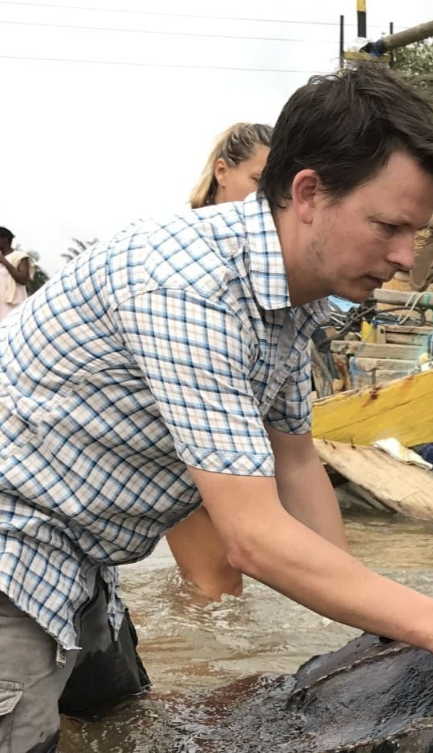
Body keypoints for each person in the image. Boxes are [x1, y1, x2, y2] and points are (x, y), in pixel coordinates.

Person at [0, 63, 433, 753]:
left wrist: (379, 625)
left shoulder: (295, 299)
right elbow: (251, 538)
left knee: (120, 717)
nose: (405, 257)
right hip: (11, 541)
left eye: (414, 231)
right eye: (387, 226)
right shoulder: (185, 285)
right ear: (308, 193)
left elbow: (295, 463)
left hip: (81, 553)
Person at [169, 122, 274, 600]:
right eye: (258, 182)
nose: (266, 201)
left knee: (219, 585)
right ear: (222, 172)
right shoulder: (187, 263)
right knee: (218, 586)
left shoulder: (261, 270)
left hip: (220, 443)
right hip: (178, 446)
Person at [189, 122, 273, 209]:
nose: (270, 195)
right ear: (221, 171)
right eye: (258, 180)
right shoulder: (187, 221)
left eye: (278, 188)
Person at [0, 227, 32, 327]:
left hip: (13, 306)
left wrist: (4, 262)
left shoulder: (20, 256)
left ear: (5, 240)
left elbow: (23, 279)